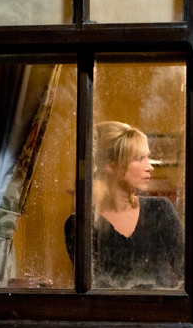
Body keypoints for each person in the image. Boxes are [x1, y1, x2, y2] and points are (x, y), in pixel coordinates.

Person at [65, 121, 183, 289]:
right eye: (140, 158)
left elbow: (185, 272)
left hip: (161, 306)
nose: (150, 167)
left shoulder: (160, 210)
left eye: (147, 157)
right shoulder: (80, 224)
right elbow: (92, 289)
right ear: (111, 166)